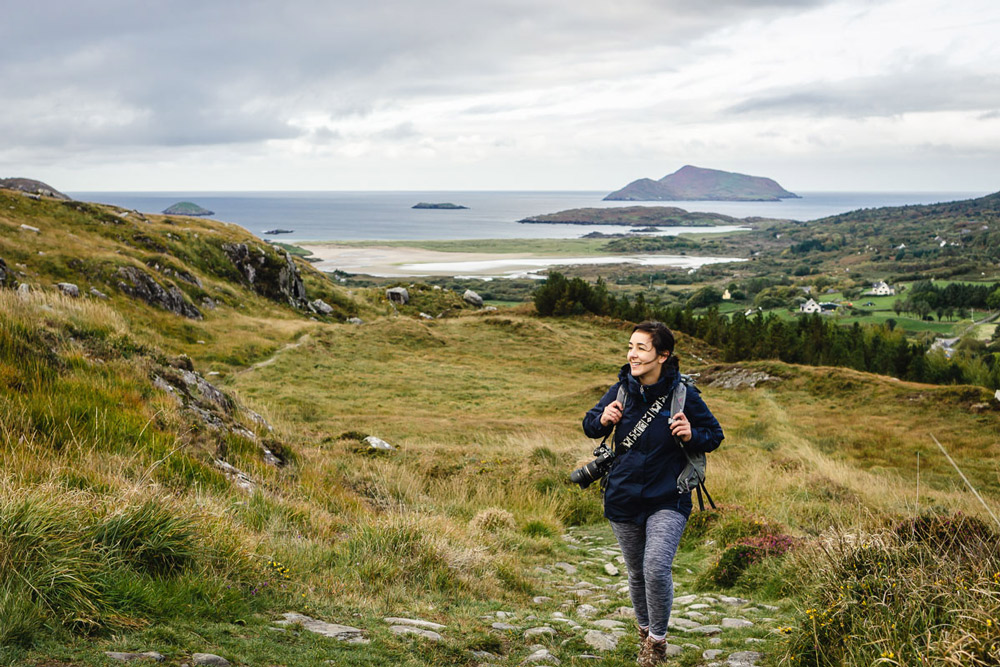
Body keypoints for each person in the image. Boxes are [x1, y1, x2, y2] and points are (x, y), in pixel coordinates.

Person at [582, 321, 724, 666]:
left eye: (642, 348)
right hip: (623, 495)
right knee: (636, 572)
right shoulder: (622, 389)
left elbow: (714, 434)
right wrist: (603, 420)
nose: (633, 354)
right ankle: (644, 633)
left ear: (663, 355)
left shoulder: (682, 394)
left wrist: (692, 434)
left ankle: (658, 643)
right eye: (631, 346)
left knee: (656, 568)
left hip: (668, 496)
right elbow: (589, 424)